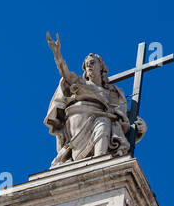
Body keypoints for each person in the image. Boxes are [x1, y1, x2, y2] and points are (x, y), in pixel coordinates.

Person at [45, 32, 144, 166]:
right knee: (104, 122)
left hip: (102, 120)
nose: (89, 66)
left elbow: (123, 117)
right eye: (87, 65)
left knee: (104, 123)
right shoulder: (81, 83)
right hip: (78, 120)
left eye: (92, 63)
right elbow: (65, 73)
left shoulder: (113, 93)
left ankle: (99, 162)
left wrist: (140, 127)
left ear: (101, 67)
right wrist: (57, 54)